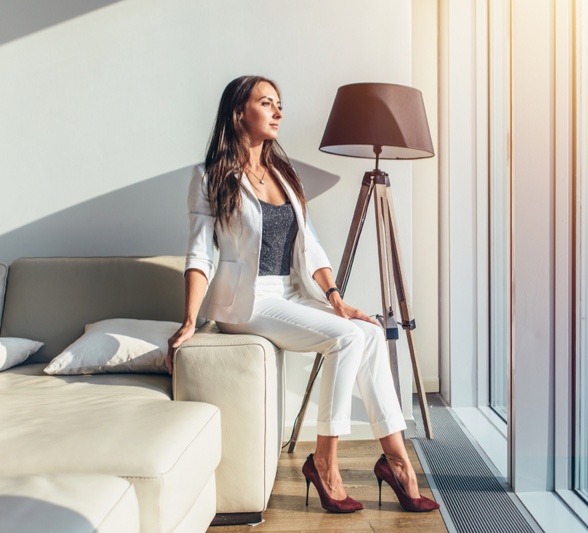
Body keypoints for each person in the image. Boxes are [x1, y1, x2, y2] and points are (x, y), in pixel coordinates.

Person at [167, 75, 439, 514]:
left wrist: (335, 298)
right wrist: (188, 320)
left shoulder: (283, 175)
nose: (278, 111)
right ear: (240, 114)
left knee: (365, 331)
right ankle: (326, 462)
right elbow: (199, 254)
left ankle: (397, 462)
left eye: (280, 104)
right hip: (248, 301)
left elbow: (311, 245)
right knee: (349, 339)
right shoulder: (209, 177)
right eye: (266, 103)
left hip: (292, 294)